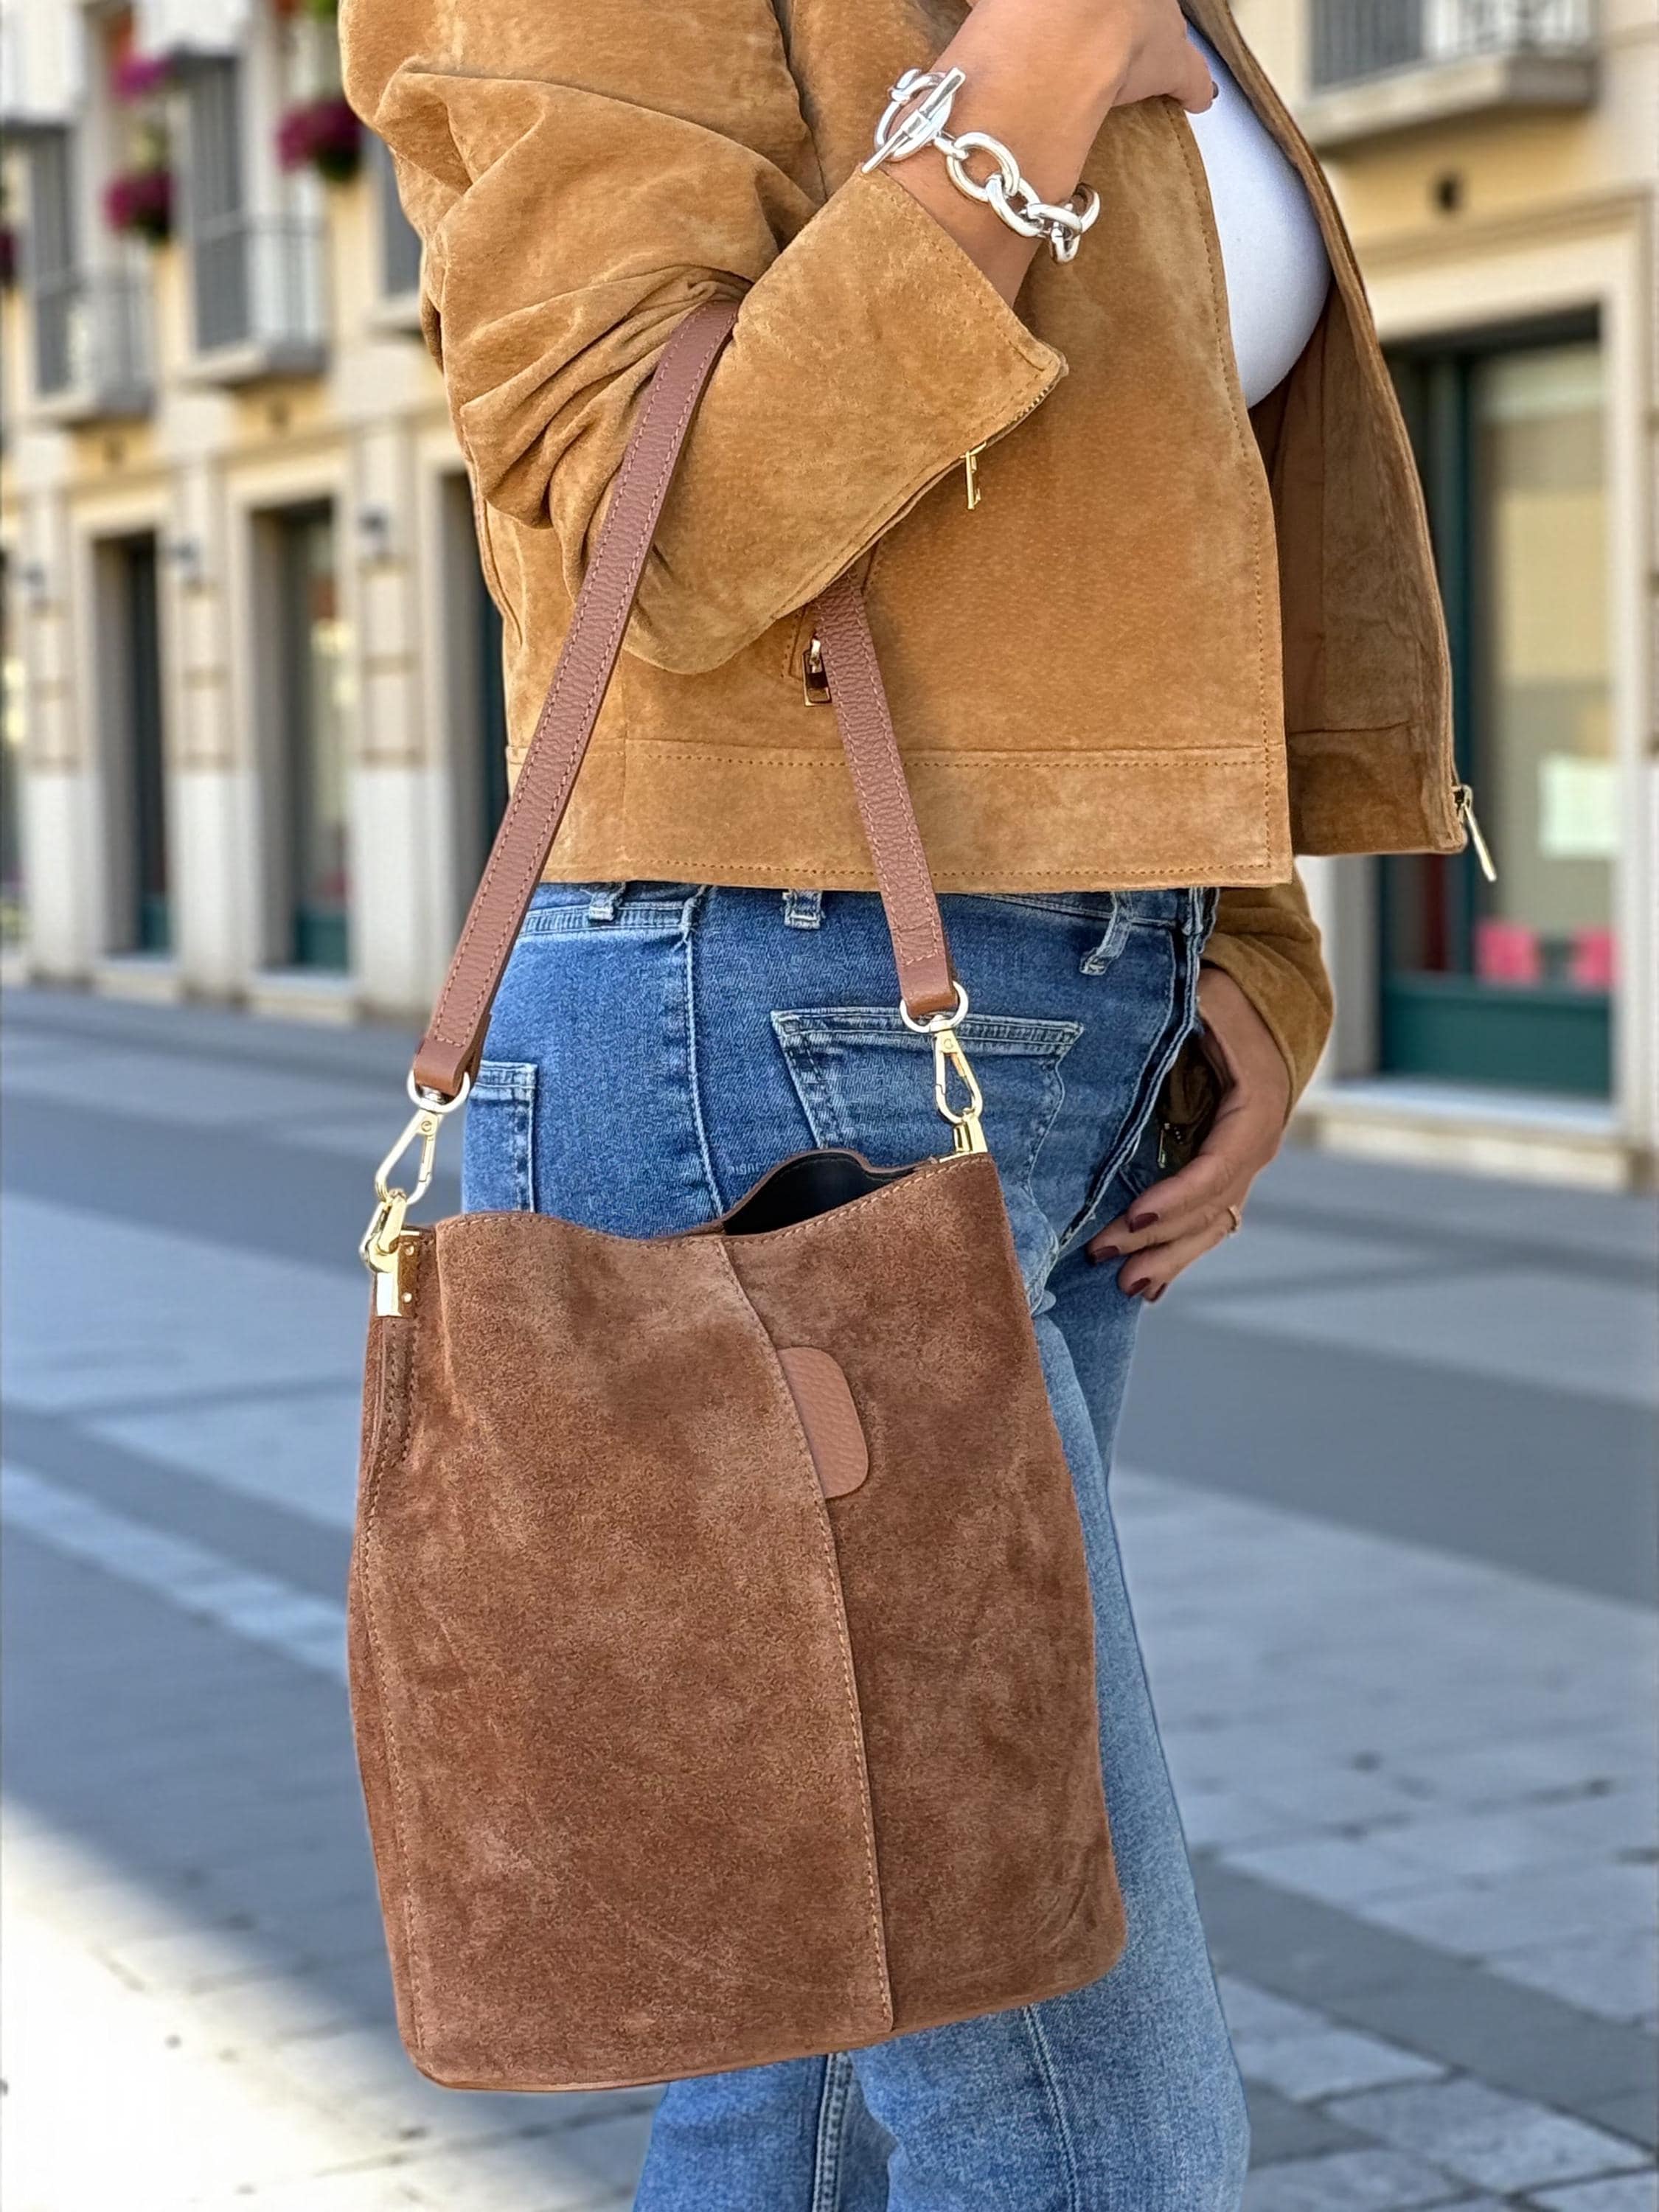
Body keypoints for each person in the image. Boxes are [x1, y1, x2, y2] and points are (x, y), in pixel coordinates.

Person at [341, 0, 1463, 2202]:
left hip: (1042, 1023)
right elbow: (652, 534)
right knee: (1076, 2119)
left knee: (820, 2046)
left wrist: (1229, 929)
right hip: (760, 1028)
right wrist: (1037, 69)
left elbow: (1137, 507)